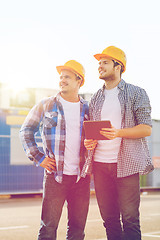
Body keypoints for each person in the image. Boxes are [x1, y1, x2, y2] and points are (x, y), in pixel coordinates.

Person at [84, 46, 154, 240]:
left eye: (105, 62)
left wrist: (118, 133)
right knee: (110, 220)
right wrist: (89, 142)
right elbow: (94, 130)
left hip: (126, 166)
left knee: (130, 219)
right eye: (99, 63)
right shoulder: (96, 97)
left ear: (118, 66)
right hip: (100, 165)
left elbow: (146, 128)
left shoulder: (136, 93)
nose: (100, 66)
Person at [20, 60, 90, 240]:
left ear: (79, 81)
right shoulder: (46, 104)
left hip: (80, 178)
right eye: (61, 77)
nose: (62, 80)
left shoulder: (88, 108)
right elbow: (26, 130)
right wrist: (39, 157)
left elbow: (95, 138)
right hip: (54, 177)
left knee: (77, 230)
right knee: (48, 229)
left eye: (67, 77)